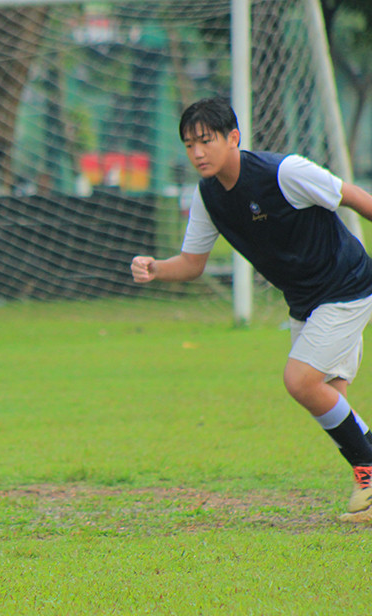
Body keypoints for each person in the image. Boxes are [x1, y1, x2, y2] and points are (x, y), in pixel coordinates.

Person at [131, 97, 372, 522]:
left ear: (233, 138)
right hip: (304, 301)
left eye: (205, 141)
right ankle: (367, 483)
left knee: (300, 381)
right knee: (330, 398)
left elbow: (351, 196)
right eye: (189, 145)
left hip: (347, 285)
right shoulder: (207, 196)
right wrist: (155, 269)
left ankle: (370, 471)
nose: (197, 152)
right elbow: (192, 263)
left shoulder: (285, 172)